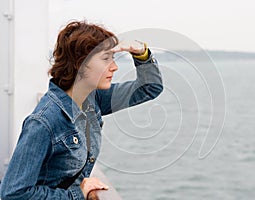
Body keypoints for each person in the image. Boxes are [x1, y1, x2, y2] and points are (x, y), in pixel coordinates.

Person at [0, 21, 163, 200]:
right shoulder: (43, 122)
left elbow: (149, 88)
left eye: (113, 58)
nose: (114, 67)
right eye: (106, 58)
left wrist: (142, 54)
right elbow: (13, 194)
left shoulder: (92, 99)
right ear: (80, 63)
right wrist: (78, 194)